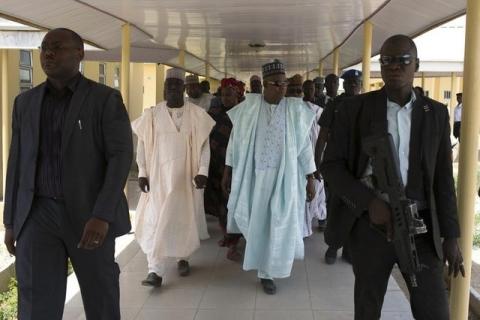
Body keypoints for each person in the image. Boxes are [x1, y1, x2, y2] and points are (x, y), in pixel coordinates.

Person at [321, 34, 464, 319]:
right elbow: (332, 165)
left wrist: (451, 235)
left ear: (416, 65)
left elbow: (443, 180)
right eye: (387, 61)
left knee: (434, 310)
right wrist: (368, 203)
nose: (395, 66)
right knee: (367, 307)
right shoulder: (354, 110)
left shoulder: (434, 113)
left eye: (403, 60)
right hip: (371, 229)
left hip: (421, 229)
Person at [3, 28, 133, 320]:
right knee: (36, 300)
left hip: (89, 214)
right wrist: (11, 220)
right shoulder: (25, 103)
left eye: (58, 47)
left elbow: (120, 157)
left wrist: (102, 214)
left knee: (100, 295)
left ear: (79, 53)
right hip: (37, 214)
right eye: (44, 48)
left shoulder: (104, 99)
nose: (48, 53)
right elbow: (17, 163)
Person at [222, 59, 316, 295]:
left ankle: (269, 272)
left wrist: (311, 177)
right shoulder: (248, 109)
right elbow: (234, 144)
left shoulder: (294, 110)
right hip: (255, 178)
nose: (282, 88)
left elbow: (304, 147)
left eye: (284, 84)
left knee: (279, 222)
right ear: (264, 84)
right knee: (258, 224)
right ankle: (262, 267)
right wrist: (227, 171)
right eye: (277, 84)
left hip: (285, 179)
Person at [132, 68, 215, 288]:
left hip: (185, 177)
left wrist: (202, 171)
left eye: (178, 87)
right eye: (169, 87)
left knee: (181, 219)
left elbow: (204, 146)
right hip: (158, 178)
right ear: (163, 89)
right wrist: (142, 172)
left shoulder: (196, 115)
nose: (173, 90)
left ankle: (182, 258)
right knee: (155, 221)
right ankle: (154, 271)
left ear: (184, 89)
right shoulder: (151, 114)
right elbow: (141, 146)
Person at [318, 69, 362, 263]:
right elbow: (322, 136)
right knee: (337, 205)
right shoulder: (334, 105)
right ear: (343, 85)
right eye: (349, 82)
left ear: (360, 85)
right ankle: (332, 246)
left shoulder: (367, 104)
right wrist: (316, 163)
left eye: (356, 82)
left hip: (360, 164)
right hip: (338, 163)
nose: (353, 85)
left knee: (357, 208)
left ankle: (349, 249)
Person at [204, 78, 242, 261]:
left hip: (237, 167)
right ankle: (228, 235)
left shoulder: (243, 114)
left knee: (233, 204)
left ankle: (234, 241)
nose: (225, 98)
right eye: (223, 95)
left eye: (229, 94)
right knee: (220, 204)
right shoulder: (213, 113)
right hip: (216, 165)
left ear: (238, 95)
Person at [302, 79, 327, 237]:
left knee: (318, 187)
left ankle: (321, 218)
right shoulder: (298, 108)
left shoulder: (319, 110)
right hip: (302, 154)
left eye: (313, 89)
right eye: (308, 89)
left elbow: (322, 135)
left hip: (316, 152)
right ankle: (305, 224)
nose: (311, 91)